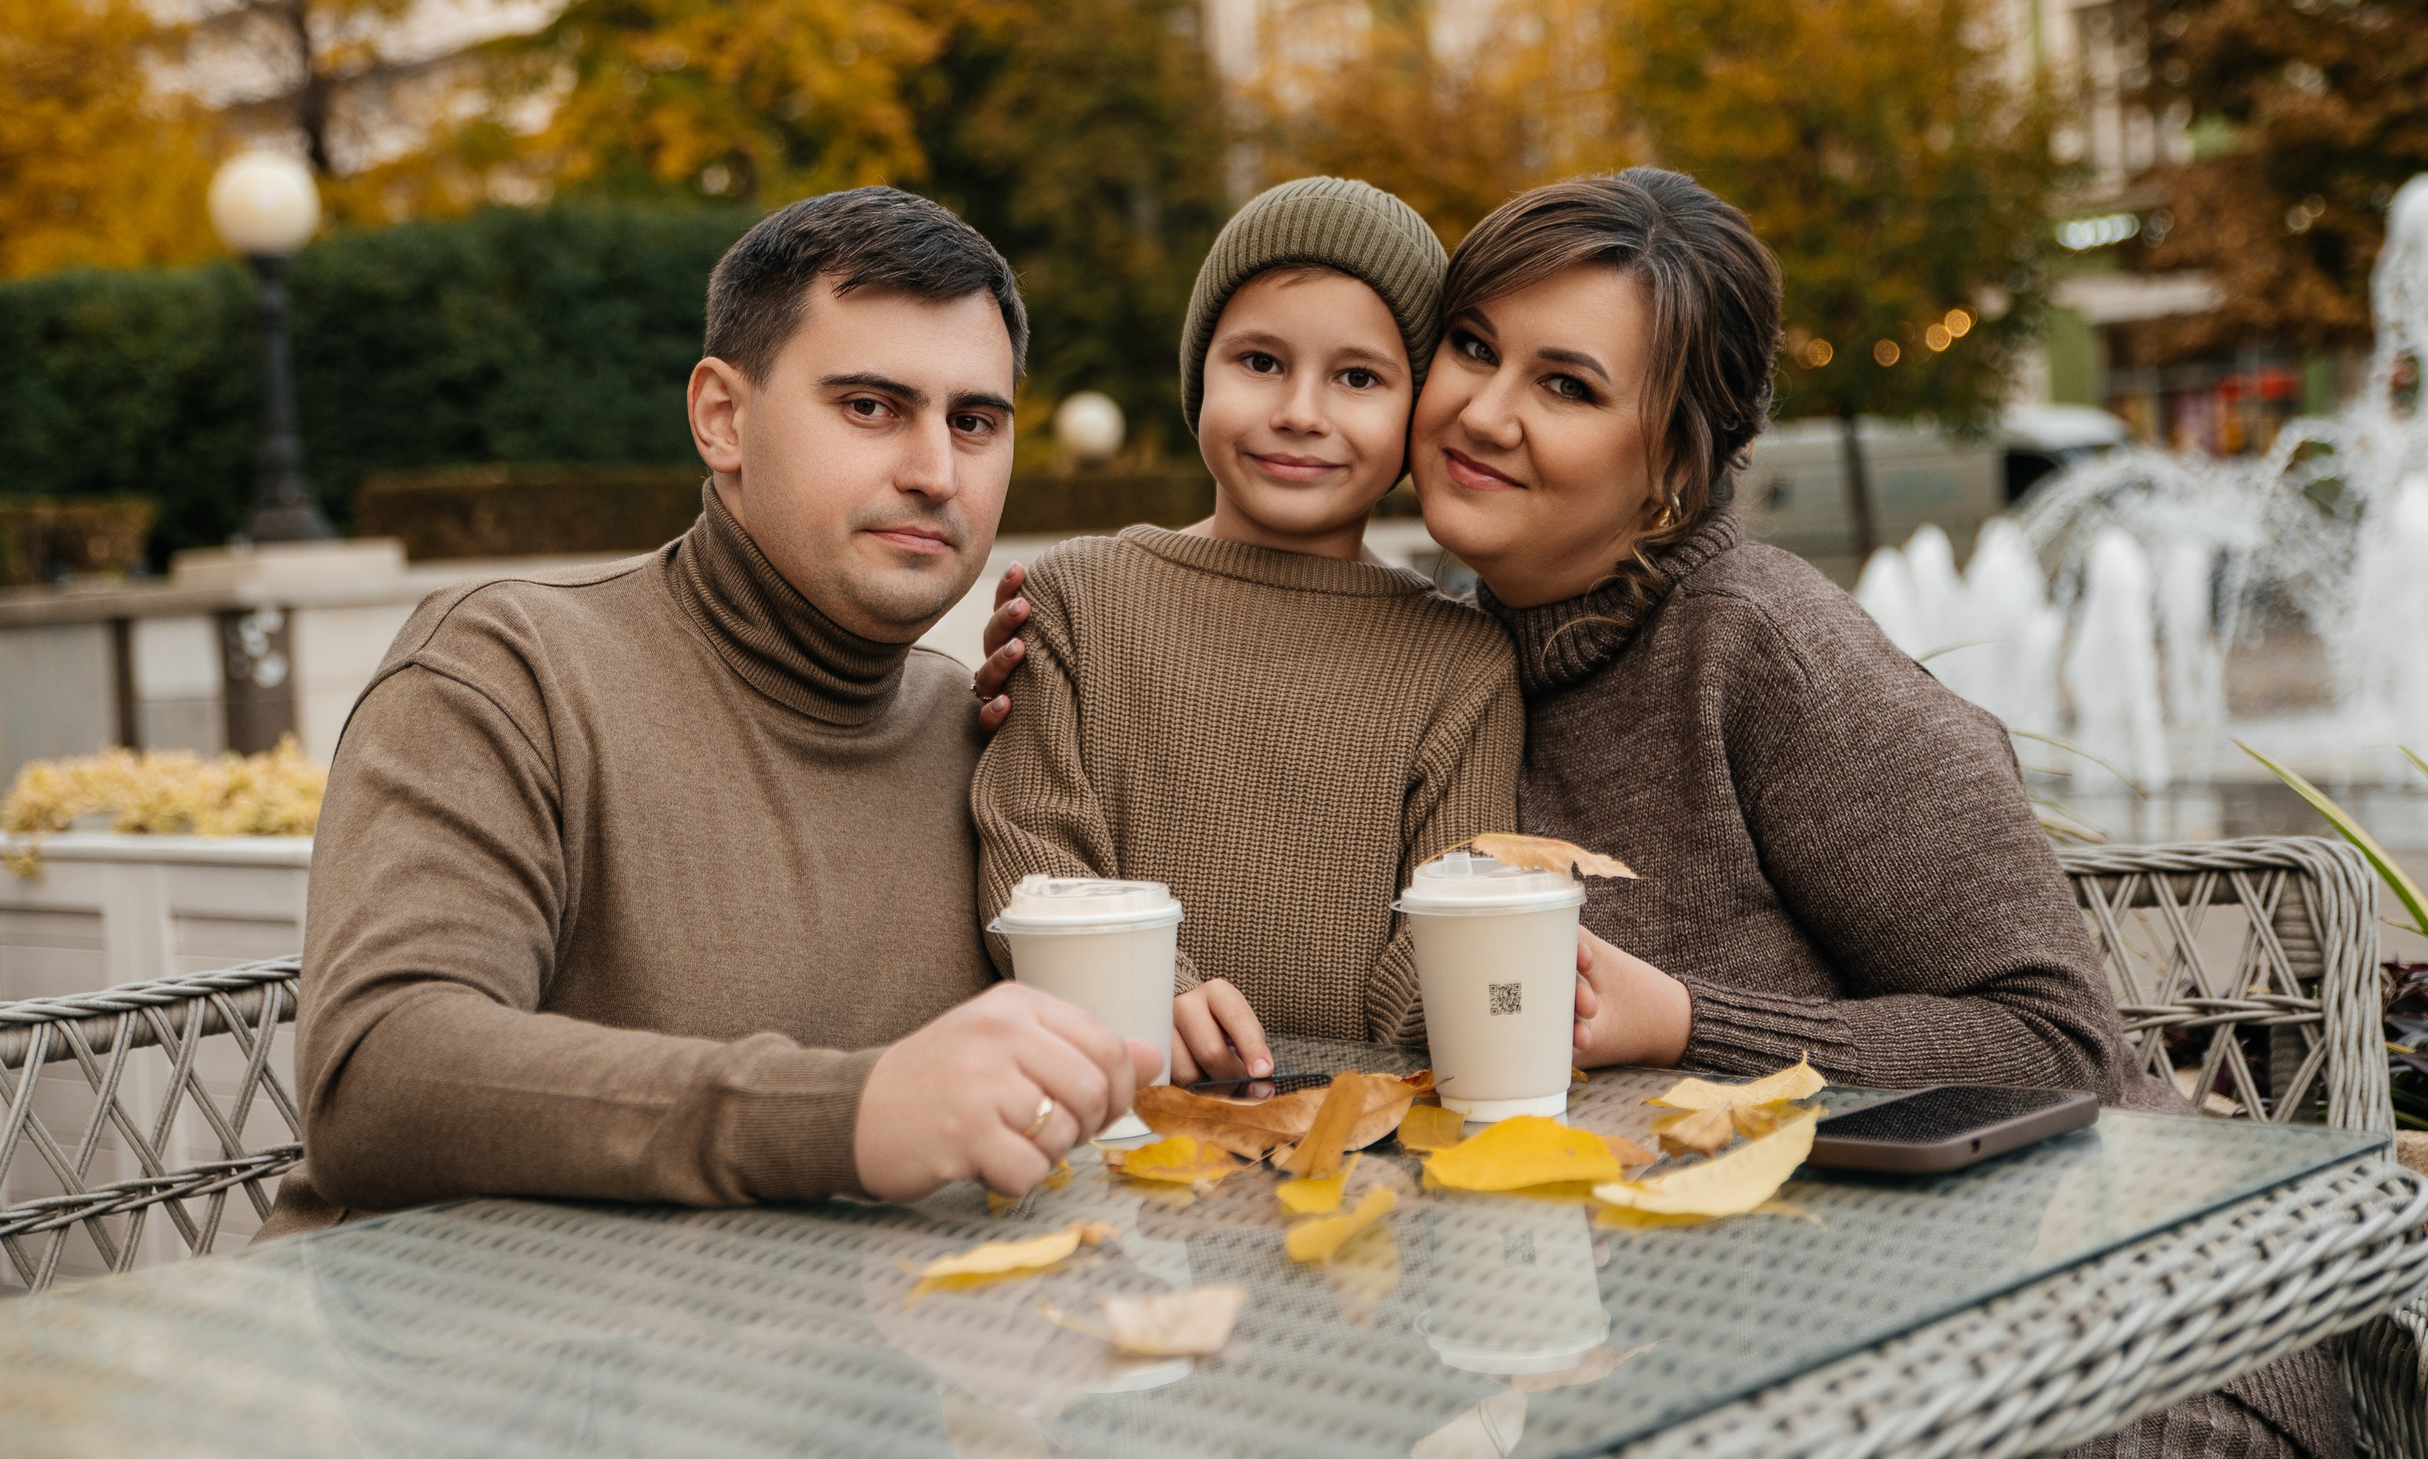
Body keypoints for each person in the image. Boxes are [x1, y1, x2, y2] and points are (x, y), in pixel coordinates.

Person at [1407, 168, 2347, 1457]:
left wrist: (1685, 1022)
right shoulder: (1443, 663)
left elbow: (2057, 1043)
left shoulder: (1760, 647)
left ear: (1673, 464)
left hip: (2106, 1343)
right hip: (1766, 1347)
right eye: (1471, 346)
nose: (1483, 409)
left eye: (1566, 385)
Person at [262, 186, 1160, 1239]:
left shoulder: (988, 740)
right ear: (721, 417)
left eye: (974, 422)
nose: (933, 472)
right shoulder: (512, 667)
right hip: (452, 1368)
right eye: (870, 406)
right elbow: (378, 1074)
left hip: (836, 1366)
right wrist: (846, 1113)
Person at [972, 177, 1521, 1078]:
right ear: (1200, 373)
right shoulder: (1078, 597)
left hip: (1361, 1132)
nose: (1301, 411)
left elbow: (1449, 920)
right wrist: (1151, 988)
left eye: (1357, 377)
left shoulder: (1461, 660)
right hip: (1116, 1100)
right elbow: (1031, 841)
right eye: (1259, 361)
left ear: (1416, 410)